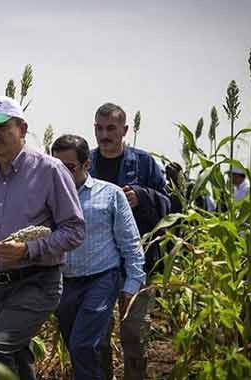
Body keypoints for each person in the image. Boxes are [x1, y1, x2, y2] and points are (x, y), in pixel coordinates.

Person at [0, 96, 86, 379]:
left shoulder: (50, 170)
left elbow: (75, 230)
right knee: (16, 357)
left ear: (23, 129)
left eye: (2, 126)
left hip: (37, 282)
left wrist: (27, 250)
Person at [51, 134, 146, 380]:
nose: (62, 174)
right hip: (64, 283)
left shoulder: (111, 195)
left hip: (101, 279)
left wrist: (133, 284)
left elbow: (130, 242)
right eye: (56, 167)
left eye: (69, 167)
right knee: (80, 346)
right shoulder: (48, 198)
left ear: (86, 164)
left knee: (82, 344)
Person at [89, 103, 170, 380]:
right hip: (97, 264)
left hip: (137, 263)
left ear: (125, 130)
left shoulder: (145, 163)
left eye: (111, 128)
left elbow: (170, 204)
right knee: (97, 336)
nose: (104, 134)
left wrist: (142, 195)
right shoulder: (86, 163)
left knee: (134, 334)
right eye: (99, 128)